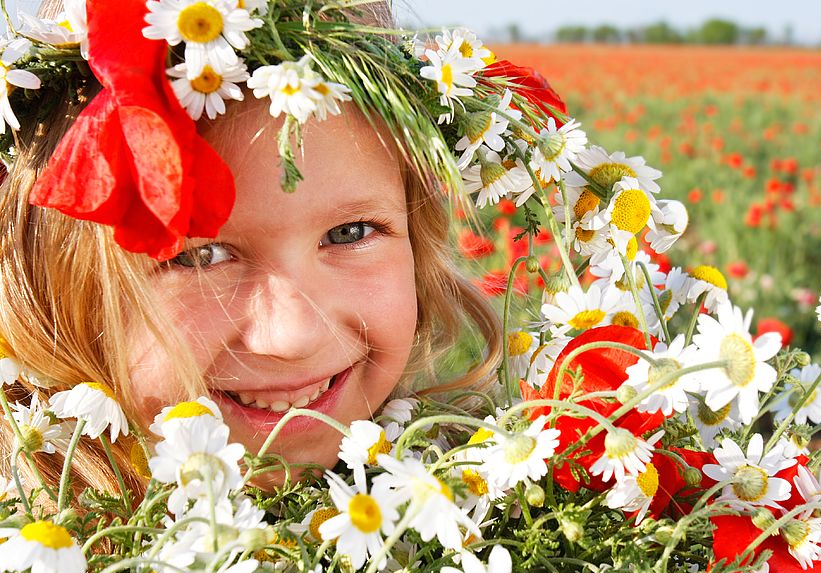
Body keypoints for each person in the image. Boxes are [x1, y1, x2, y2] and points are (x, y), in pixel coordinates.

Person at [0, 0, 505, 505]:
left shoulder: (484, 494)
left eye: (350, 233)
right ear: (43, 281)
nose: (293, 337)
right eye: (200, 257)